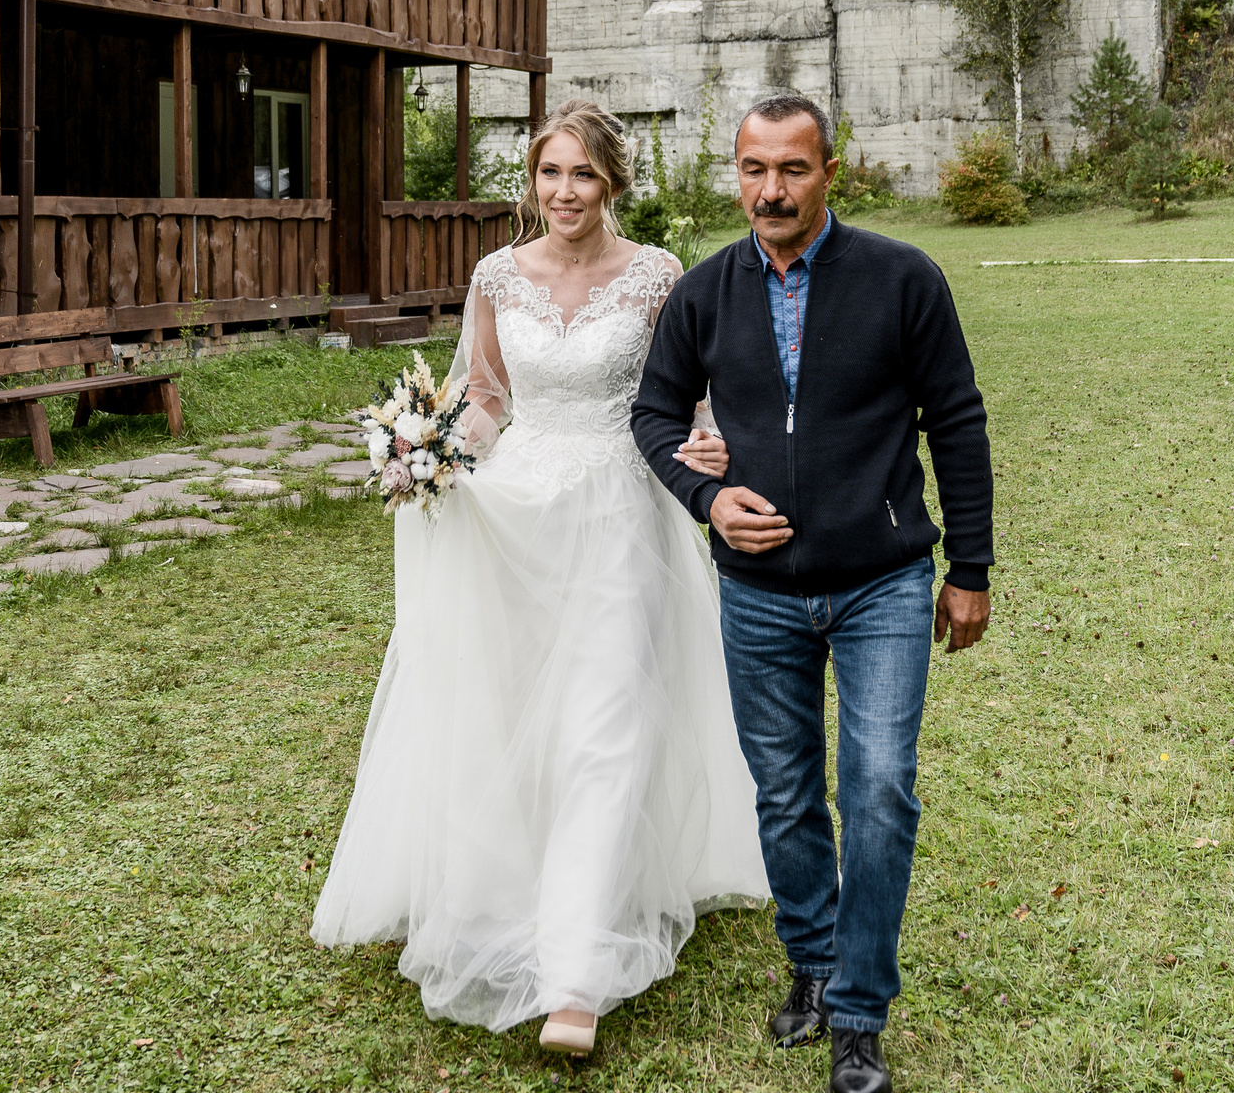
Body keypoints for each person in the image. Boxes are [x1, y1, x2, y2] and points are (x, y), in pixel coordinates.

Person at [312, 101, 766, 1057]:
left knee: (605, 726)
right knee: (515, 713)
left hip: (620, 513)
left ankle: (575, 976)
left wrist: (708, 441)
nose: (565, 193)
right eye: (550, 174)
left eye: (583, 176)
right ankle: (511, 889)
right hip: (516, 515)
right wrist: (431, 459)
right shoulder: (494, 276)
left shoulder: (654, 278)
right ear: (533, 181)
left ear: (612, 184)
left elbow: (687, 397)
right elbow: (483, 399)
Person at [631, 94, 995, 1093]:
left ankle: (857, 1012)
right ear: (735, 173)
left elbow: (955, 423)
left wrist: (970, 569)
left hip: (881, 580)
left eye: (791, 169)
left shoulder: (902, 280)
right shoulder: (704, 293)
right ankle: (812, 959)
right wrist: (706, 497)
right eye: (753, 169)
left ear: (833, 170)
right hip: (756, 593)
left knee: (876, 788)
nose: (770, 190)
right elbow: (654, 414)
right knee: (787, 795)